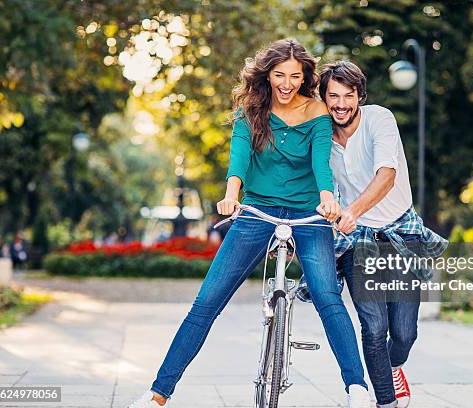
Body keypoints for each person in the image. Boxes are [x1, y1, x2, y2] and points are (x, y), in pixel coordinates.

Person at [127, 40, 371, 408]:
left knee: (327, 296)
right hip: (257, 212)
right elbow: (238, 158)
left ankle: (357, 389)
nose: (286, 84)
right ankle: (159, 393)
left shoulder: (318, 110)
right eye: (279, 75)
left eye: (295, 76)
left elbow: (322, 161)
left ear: (305, 77)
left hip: (309, 214)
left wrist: (327, 197)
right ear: (267, 75)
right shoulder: (252, 109)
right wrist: (231, 194)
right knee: (207, 302)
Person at [316, 61, 448, 408]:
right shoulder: (321, 137)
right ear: (324, 98)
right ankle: (385, 402)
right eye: (333, 96)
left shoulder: (379, 119)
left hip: (400, 235)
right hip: (358, 241)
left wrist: (352, 211)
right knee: (373, 328)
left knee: (404, 333)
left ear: (360, 95)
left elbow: (386, 175)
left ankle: (394, 367)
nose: (341, 104)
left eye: (348, 95)